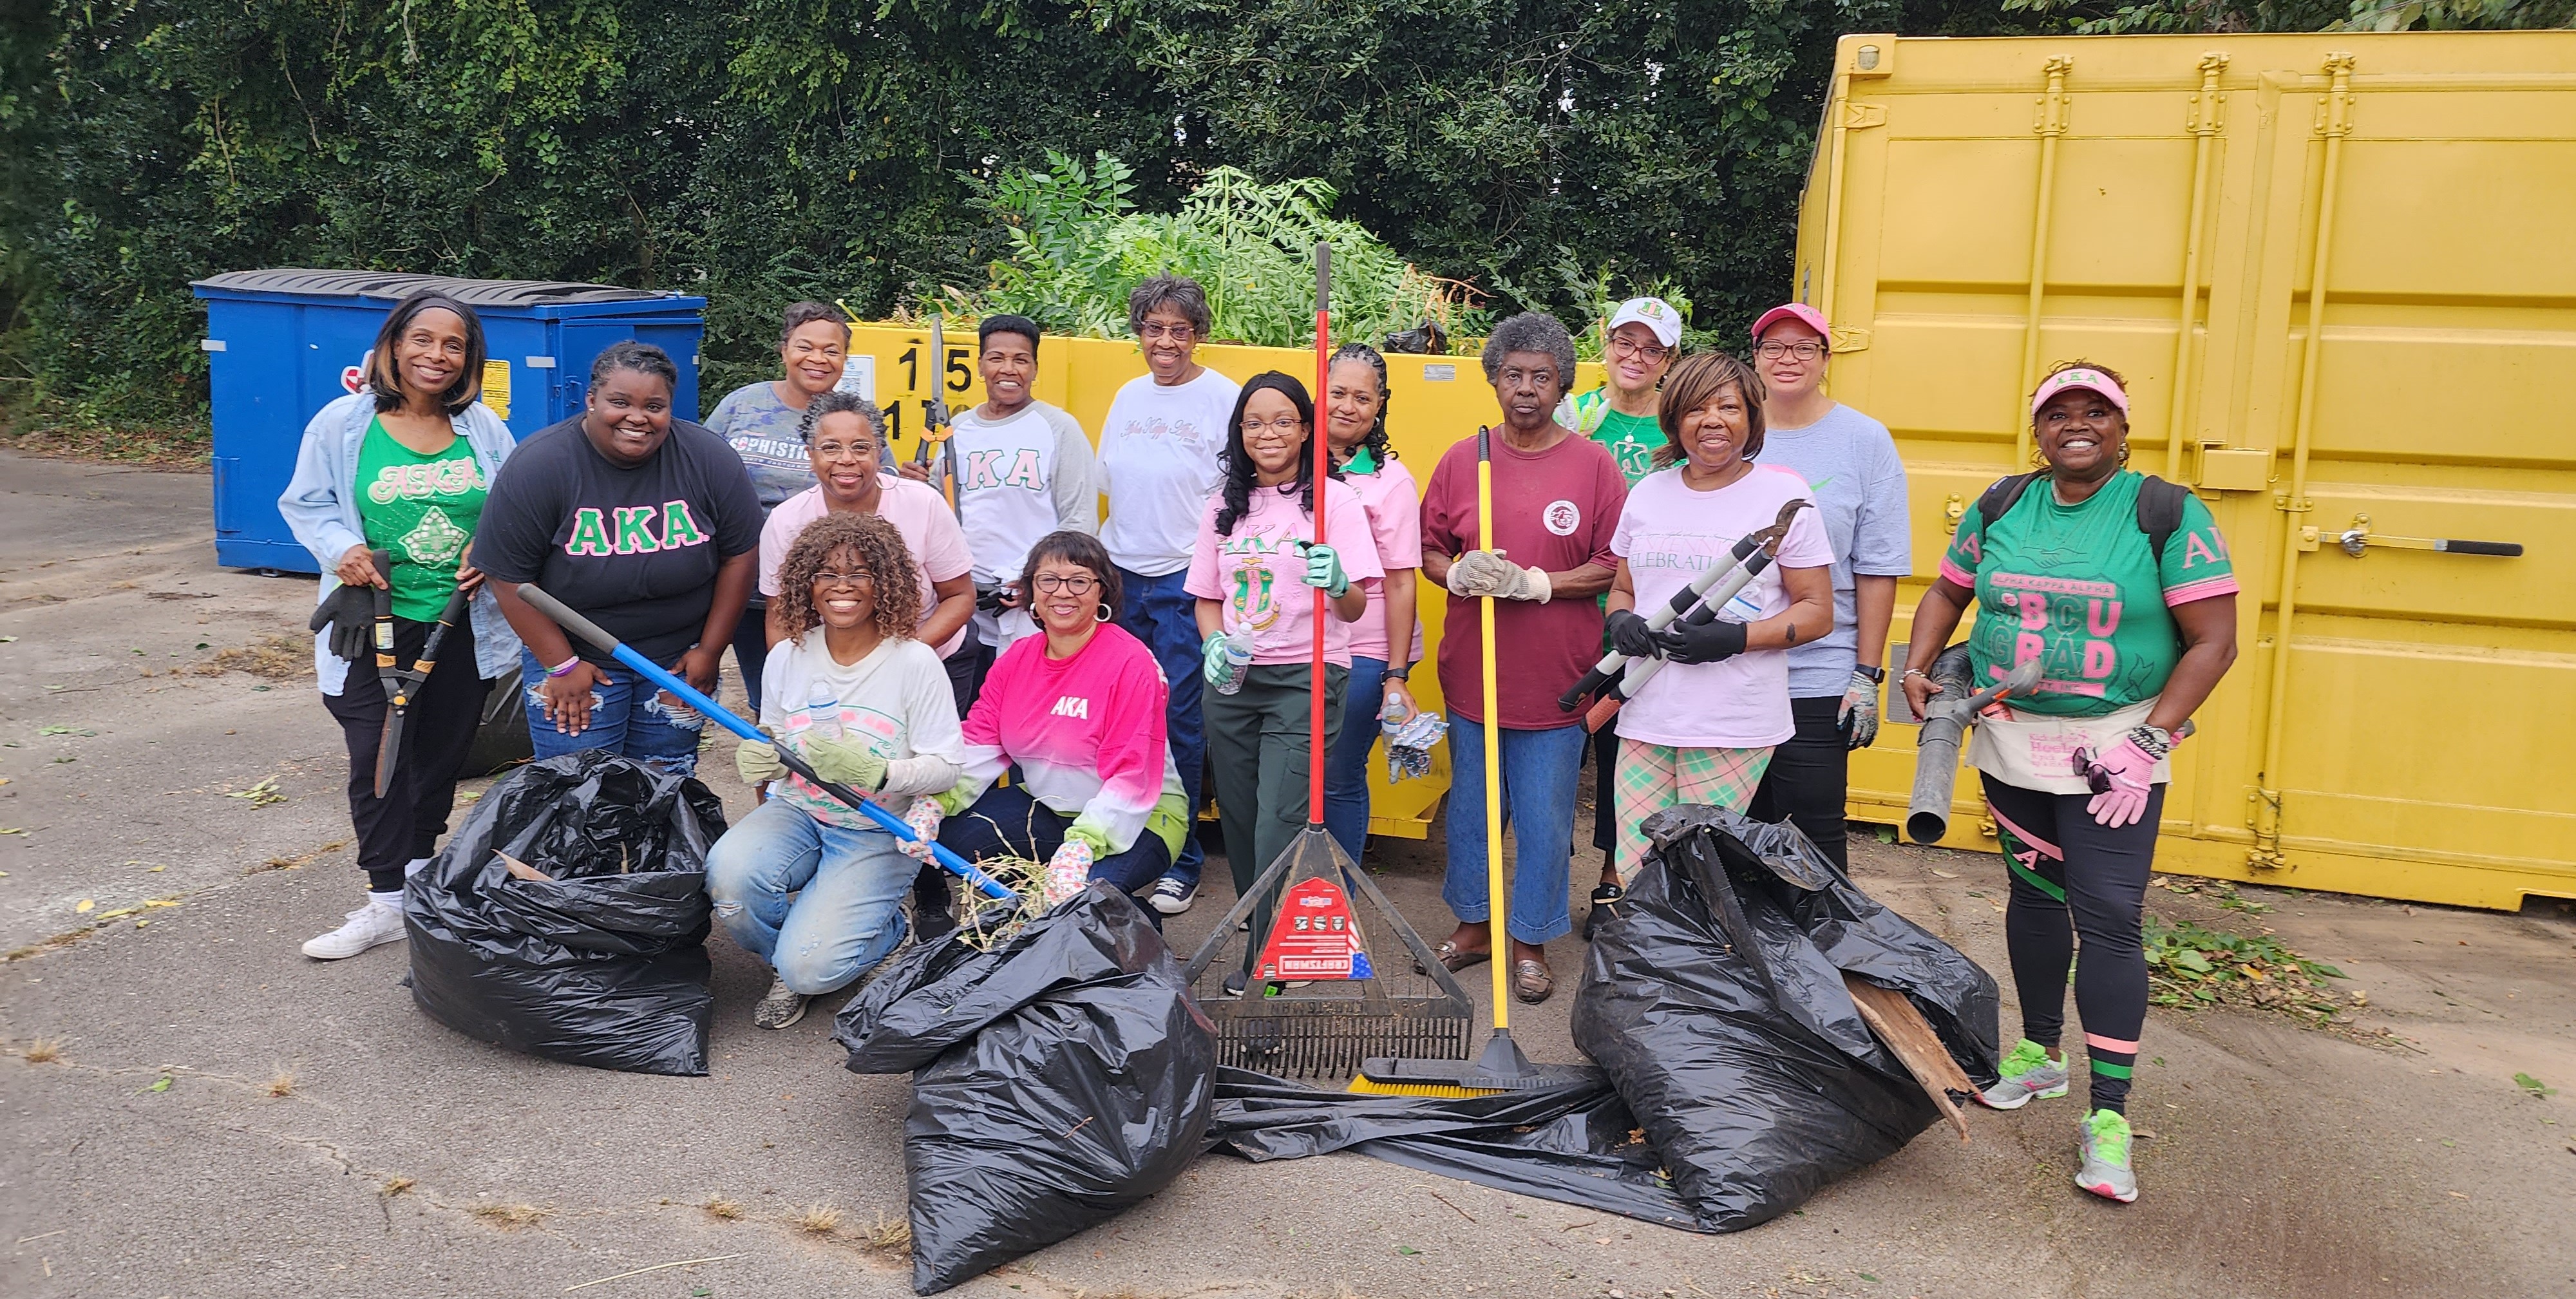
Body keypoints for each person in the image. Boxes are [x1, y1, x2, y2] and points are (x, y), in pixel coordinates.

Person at [1901, 361, 2239, 1205]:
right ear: (2039, 427)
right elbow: (1948, 590)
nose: (2076, 425)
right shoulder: (2004, 504)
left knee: (2111, 920)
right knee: (2033, 898)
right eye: (2059, 413)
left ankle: (2111, 1120)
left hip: (2112, 751)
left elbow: (2214, 640)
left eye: (2096, 413)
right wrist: (1916, 666)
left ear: (2124, 430)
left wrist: (2151, 740)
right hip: (2016, 742)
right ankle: (2041, 1054)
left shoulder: (2166, 513)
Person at [279, 290, 522, 960]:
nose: (436, 355)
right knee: (379, 756)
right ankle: (384, 898)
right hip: (378, 619)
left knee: (440, 755)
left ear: (469, 358)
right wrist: (341, 549)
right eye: (423, 339)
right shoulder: (343, 423)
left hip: (461, 620)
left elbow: (514, 502)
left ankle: (417, 874)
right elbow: (307, 502)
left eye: (453, 345)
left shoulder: (484, 427)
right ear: (394, 344)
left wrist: (493, 544)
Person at [1416, 313, 1627, 1004]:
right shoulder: (1462, 459)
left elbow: (1611, 567)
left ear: (1563, 384)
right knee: (1475, 812)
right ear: (1494, 380)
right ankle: (1475, 925)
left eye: (1541, 376)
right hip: (1473, 672)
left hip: (1558, 681)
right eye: (1513, 375)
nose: (1526, 388)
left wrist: (1535, 584)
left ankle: (1530, 937)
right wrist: (1456, 572)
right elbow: (1428, 550)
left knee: (1543, 816)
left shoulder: (1593, 465)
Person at [706, 511, 967, 1030]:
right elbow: (774, 737)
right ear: (808, 582)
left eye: (860, 573)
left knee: (814, 966)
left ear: (885, 582)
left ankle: (885, 934)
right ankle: (794, 962)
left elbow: (947, 768)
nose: (842, 586)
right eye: (827, 572)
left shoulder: (914, 662)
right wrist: (762, 757)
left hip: (876, 829)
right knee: (729, 882)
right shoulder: (788, 657)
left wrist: (879, 772)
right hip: (800, 812)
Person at [1601, 352, 1834, 883]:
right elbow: (1623, 587)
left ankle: (1699, 968)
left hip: (1732, 720)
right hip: (1645, 710)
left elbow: (1817, 612)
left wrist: (1734, 638)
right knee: (1637, 865)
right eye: (1697, 408)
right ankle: (1646, 966)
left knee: (1701, 871)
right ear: (1675, 418)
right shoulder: (1649, 492)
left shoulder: (1781, 494)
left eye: (1729, 407)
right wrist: (1620, 621)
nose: (1713, 420)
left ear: (1751, 418)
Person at [482, 341, 763, 779]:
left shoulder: (709, 459)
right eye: (620, 402)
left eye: (655, 406)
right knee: (576, 796)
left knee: (664, 789)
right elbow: (507, 576)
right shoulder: (541, 465)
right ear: (591, 400)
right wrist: (560, 663)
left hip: (677, 663)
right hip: (575, 661)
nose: (638, 417)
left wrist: (710, 650)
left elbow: (740, 556)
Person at [1188, 372, 1381, 994]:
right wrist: (1213, 641)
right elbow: (1207, 598)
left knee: (1279, 820)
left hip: (1307, 674)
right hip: (1235, 680)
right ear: (1239, 432)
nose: (1267, 432)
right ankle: (1262, 925)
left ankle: (1268, 962)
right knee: (1239, 821)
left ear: (1305, 429)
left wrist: (1339, 581)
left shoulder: (1334, 502)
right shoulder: (1223, 504)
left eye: (1281, 421)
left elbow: (1355, 609)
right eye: (1254, 422)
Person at [913, 531, 1189, 915]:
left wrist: (1083, 844)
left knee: (1084, 903)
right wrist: (936, 801)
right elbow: (979, 742)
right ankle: (1033, 909)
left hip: (1141, 816)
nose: (1063, 593)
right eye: (1048, 580)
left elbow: (1132, 775)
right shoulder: (1016, 659)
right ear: (1031, 592)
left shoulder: (1132, 663)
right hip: (1050, 807)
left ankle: (1133, 922)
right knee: (947, 838)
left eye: (1079, 581)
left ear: (1101, 594)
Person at [1743, 302, 1911, 873]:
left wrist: (1866, 676)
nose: (1788, 358)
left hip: (1820, 668)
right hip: (1732, 663)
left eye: (1804, 347)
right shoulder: (1733, 429)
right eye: (1774, 347)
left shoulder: (1864, 440)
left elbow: (1879, 564)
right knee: (1737, 825)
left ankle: (1829, 947)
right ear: (1757, 357)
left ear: (1825, 358)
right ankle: (1746, 952)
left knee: (1814, 826)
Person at [1097, 276, 1242, 916]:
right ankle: (1124, 841)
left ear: (1198, 333)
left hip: (1186, 583)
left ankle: (1180, 861)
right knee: (1124, 717)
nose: (1165, 340)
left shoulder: (1223, 397)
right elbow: (1110, 484)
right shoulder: (1127, 397)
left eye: (1178, 329)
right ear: (1138, 333)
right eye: (1153, 328)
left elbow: (1240, 494)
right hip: (1123, 580)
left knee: (1181, 719)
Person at [898, 313, 1098, 696]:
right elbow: (941, 516)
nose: (1008, 369)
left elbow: (1079, 524)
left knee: (1028, 711)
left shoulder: (1059, 429)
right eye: (997, 358)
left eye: (1021, 360)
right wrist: (916, 488)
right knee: (969, 712)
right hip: (966, 605)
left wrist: (1039, 584)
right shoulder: (960, 431)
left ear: (1035, 368)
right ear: (980, 365)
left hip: (1032, 604)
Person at [1565, 296, 1680, 934]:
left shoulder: (1679, 424)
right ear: (1604, 344)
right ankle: (1547, 872)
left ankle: (1614, 877)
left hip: (1639, 608)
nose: (1634, 357)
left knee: (1621, 749)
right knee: (1559, 742)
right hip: (1568, 601)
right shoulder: (1575, 412)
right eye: (1624, 342)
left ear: (1668, 361)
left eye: (1651, 348)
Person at [757, 390, 978, 711]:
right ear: (810, 454)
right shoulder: (787, 521)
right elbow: (780, 618)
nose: (846, 459)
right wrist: (794, 677)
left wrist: (903, 658)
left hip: (930, 657)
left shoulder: (923, 503)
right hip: (832, 674)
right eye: (831, 448)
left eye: (861, 447)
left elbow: (959, 596)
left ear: (880, 451)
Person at [703, 301, 848, 708]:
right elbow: (696, 473)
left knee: (826, 696)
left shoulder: (849, 417)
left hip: (825, 592)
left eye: (832, 350)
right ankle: (775, 771)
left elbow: (880, 489)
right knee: (768, 699)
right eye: (806, 346)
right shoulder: (740, 406)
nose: (818, 359)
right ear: (784, 350)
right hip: (742, 588)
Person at [1318, 343, 1423, 861]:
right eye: (1338, 391)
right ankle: (1288, 895)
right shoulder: (1285, 463)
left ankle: (1337, 895)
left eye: (1363, 397)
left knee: (1338, 773)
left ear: (1380, 404)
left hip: (1365, 647)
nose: (1347, 406)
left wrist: (1396, 673)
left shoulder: (1390, 482)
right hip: (1294, 641)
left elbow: (1403, 582)